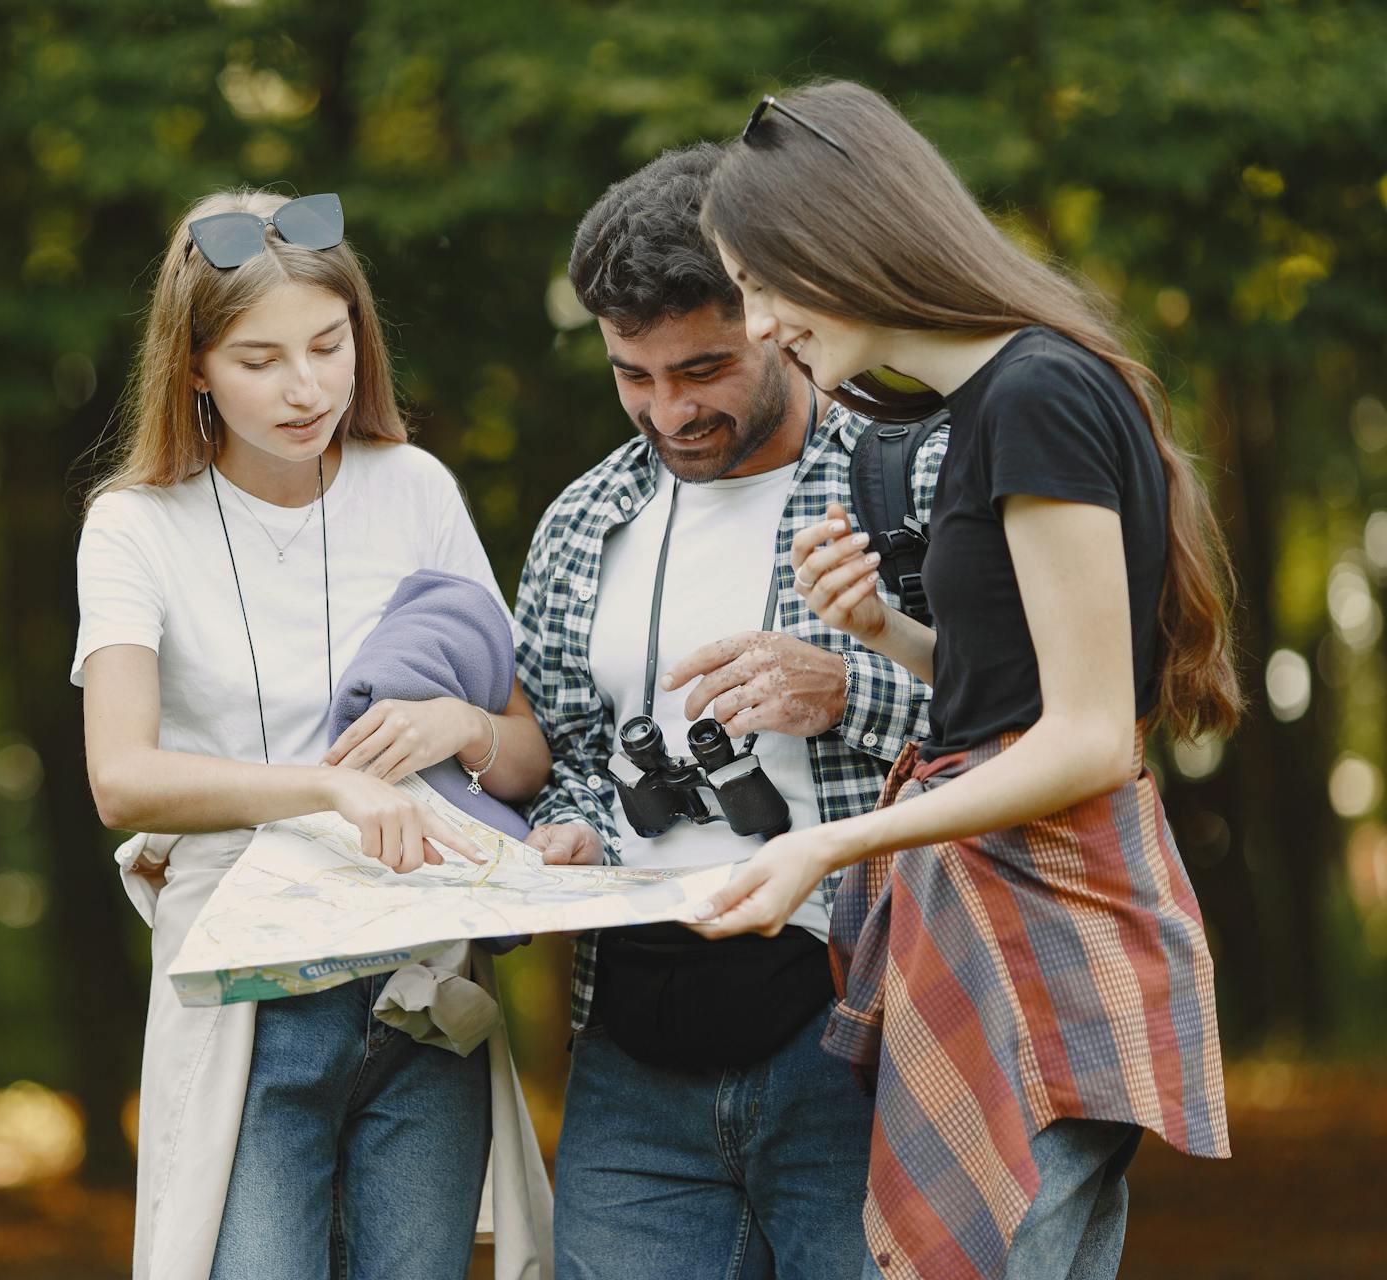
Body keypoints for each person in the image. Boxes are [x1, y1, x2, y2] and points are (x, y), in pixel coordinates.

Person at [693, 81, 1237, 1280]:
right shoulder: (992, 404)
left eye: (759, 278)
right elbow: (1016, 695)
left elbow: (1089, 736)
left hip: (1053, 920)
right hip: (1006, 916)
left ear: (835, 234)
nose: (758, 321)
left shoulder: (1034, 395)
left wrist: (834, 844)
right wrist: (880, 626)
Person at [73, 188, 553, 1280]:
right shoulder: (134, 526)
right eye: (259, 359)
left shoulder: (414, 487)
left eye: (330, 345)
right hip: (250, 995)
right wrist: (329, 788)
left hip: (427, 989)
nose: (306, 387)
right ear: (192, 364)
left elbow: (526, 754)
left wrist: (463, 722)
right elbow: (122, 777)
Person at [514, 143, 948, 1279]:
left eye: (702, 368)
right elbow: (561, 755)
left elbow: (1033, 728)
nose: (669, 410)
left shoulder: (911, 476)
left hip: (864, 1031)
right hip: (630, 1043)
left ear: (775, 313)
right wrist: (560, 828)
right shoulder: (578, 524)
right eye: (633, 376)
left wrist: (848, 689)